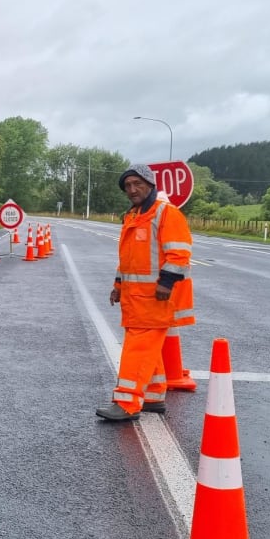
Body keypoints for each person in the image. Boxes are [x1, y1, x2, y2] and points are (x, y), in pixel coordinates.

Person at [96, 164, 194, 421]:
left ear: (150, 184)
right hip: (135, 298)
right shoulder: (134, 215)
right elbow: (128, 259)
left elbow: (180, 252)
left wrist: (166, 283)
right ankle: (152, 395)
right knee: (147, 347)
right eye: (127, 186)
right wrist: (118, 286)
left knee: (137, 349)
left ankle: (126, 403)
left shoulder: (165, 213)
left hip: (155, 297)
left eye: (137, 184)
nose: (132, 189)